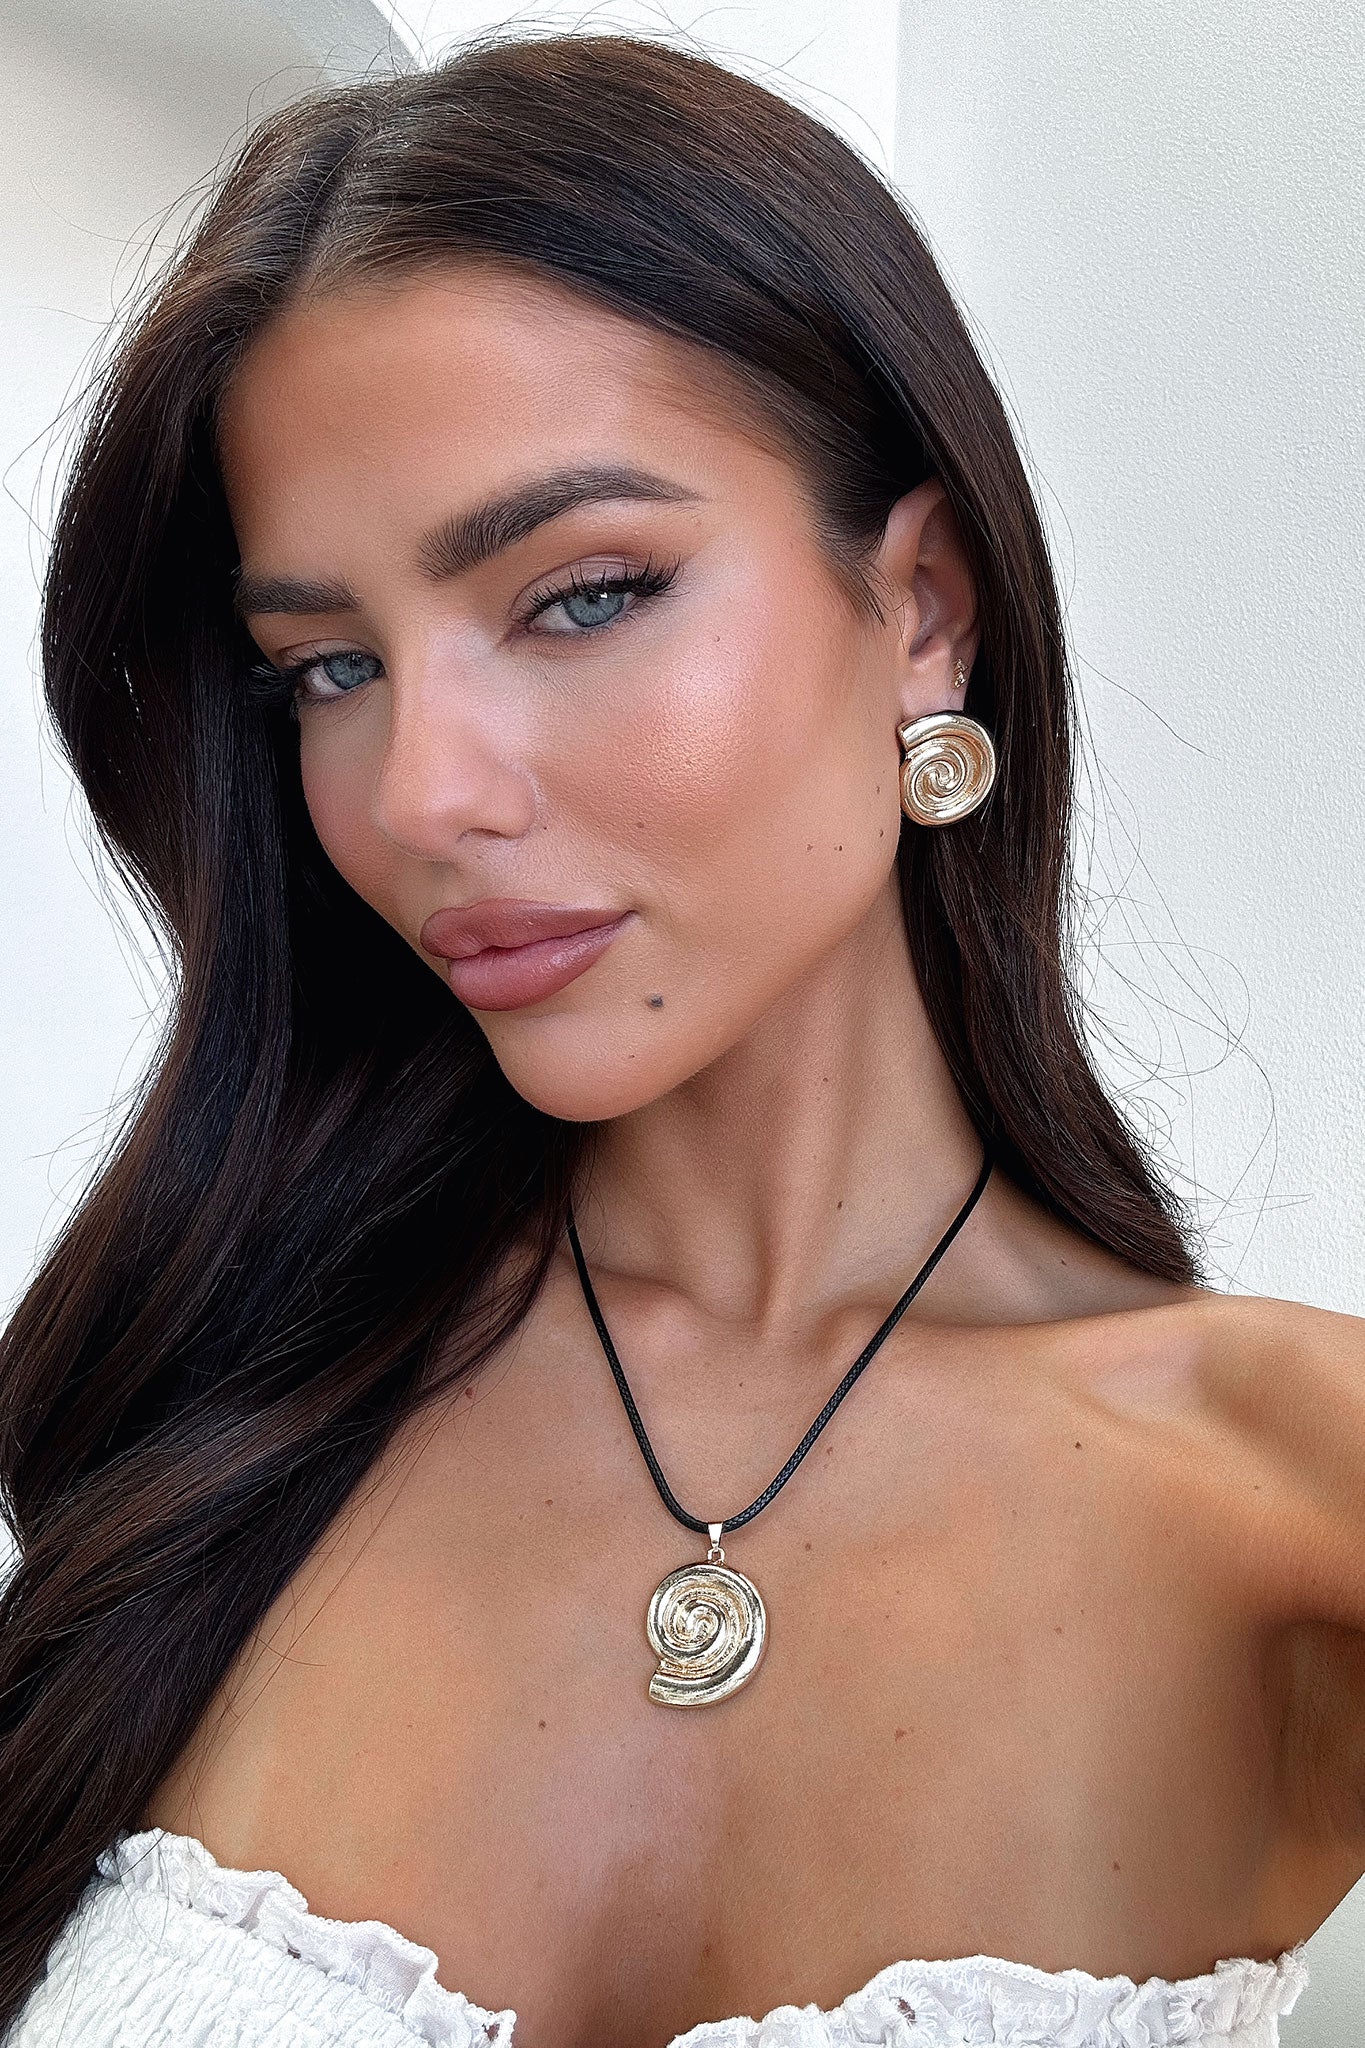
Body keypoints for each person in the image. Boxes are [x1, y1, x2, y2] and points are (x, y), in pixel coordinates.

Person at [0, 27, 1359, 2048]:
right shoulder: (237, 1416)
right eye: (330, 668)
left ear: (922, 608)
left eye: (581, 596)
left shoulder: (1289, 1493)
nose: (422, 793)